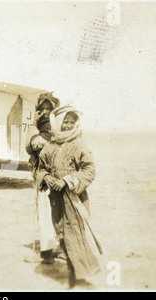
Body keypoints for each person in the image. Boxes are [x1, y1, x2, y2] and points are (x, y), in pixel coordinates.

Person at [37, 105, 102, 289]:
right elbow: (41, 169)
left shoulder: (78, 144)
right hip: (56, 198)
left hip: (74, 199)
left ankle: (76, 275)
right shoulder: (50, 145)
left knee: (74, 234)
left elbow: (89, 169)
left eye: (71, 122)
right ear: (57, 122)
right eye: (65, 121)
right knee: (62, 234)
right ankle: (77, 271)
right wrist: (48, 178)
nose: (67, 125)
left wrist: (66, 181)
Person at [25, 92, 60, 264]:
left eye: (49, 108)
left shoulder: (51, 129)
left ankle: (48, 251)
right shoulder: (48, 127)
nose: (45, 112)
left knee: (47, 211)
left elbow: (33, 144)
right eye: (42, 108)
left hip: (49, 177)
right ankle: (54, 248)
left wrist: (33, 126)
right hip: (47, 175)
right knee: (50, 211)